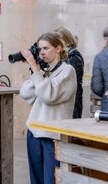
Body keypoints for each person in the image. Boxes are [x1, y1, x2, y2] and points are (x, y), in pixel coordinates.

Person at [19, 32, 77, 184]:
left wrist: (36, 70)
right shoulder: (44, 72)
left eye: (46, 48)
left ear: (58, 48)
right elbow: (25, 93)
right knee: (36, 180)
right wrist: (36, 71)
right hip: (34, 131)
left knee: (52, 180)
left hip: (53, 135)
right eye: (39, 49)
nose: (42, 53)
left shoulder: (67, 71)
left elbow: (49, 96)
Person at [55, 26, 84, 118]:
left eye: (58, 41)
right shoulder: (65, 57)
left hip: (73, 102)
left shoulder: (74, 58)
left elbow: (68, 82)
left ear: (67, 41)